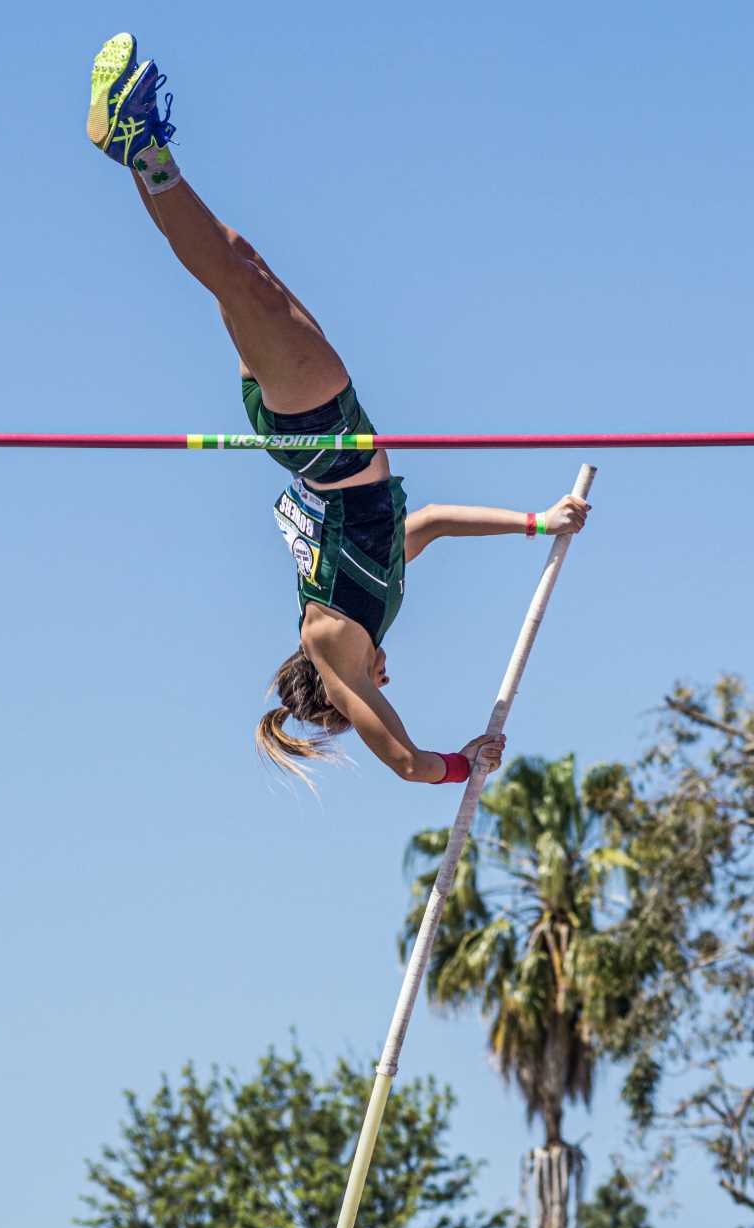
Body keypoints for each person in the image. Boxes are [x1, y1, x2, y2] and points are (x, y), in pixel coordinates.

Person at [86, 34, 590, 788]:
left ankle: (138, 144)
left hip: (322, 440)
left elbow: (408, 762)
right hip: (325, 434)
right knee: (241, 268)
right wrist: (536, 523)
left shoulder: (330, 637)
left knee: (234, 280)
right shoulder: (368, 603)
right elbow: (432, 524)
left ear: (333, 692)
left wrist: (460, 765)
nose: (383, 684)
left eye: (364, 696)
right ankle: (135, 147)